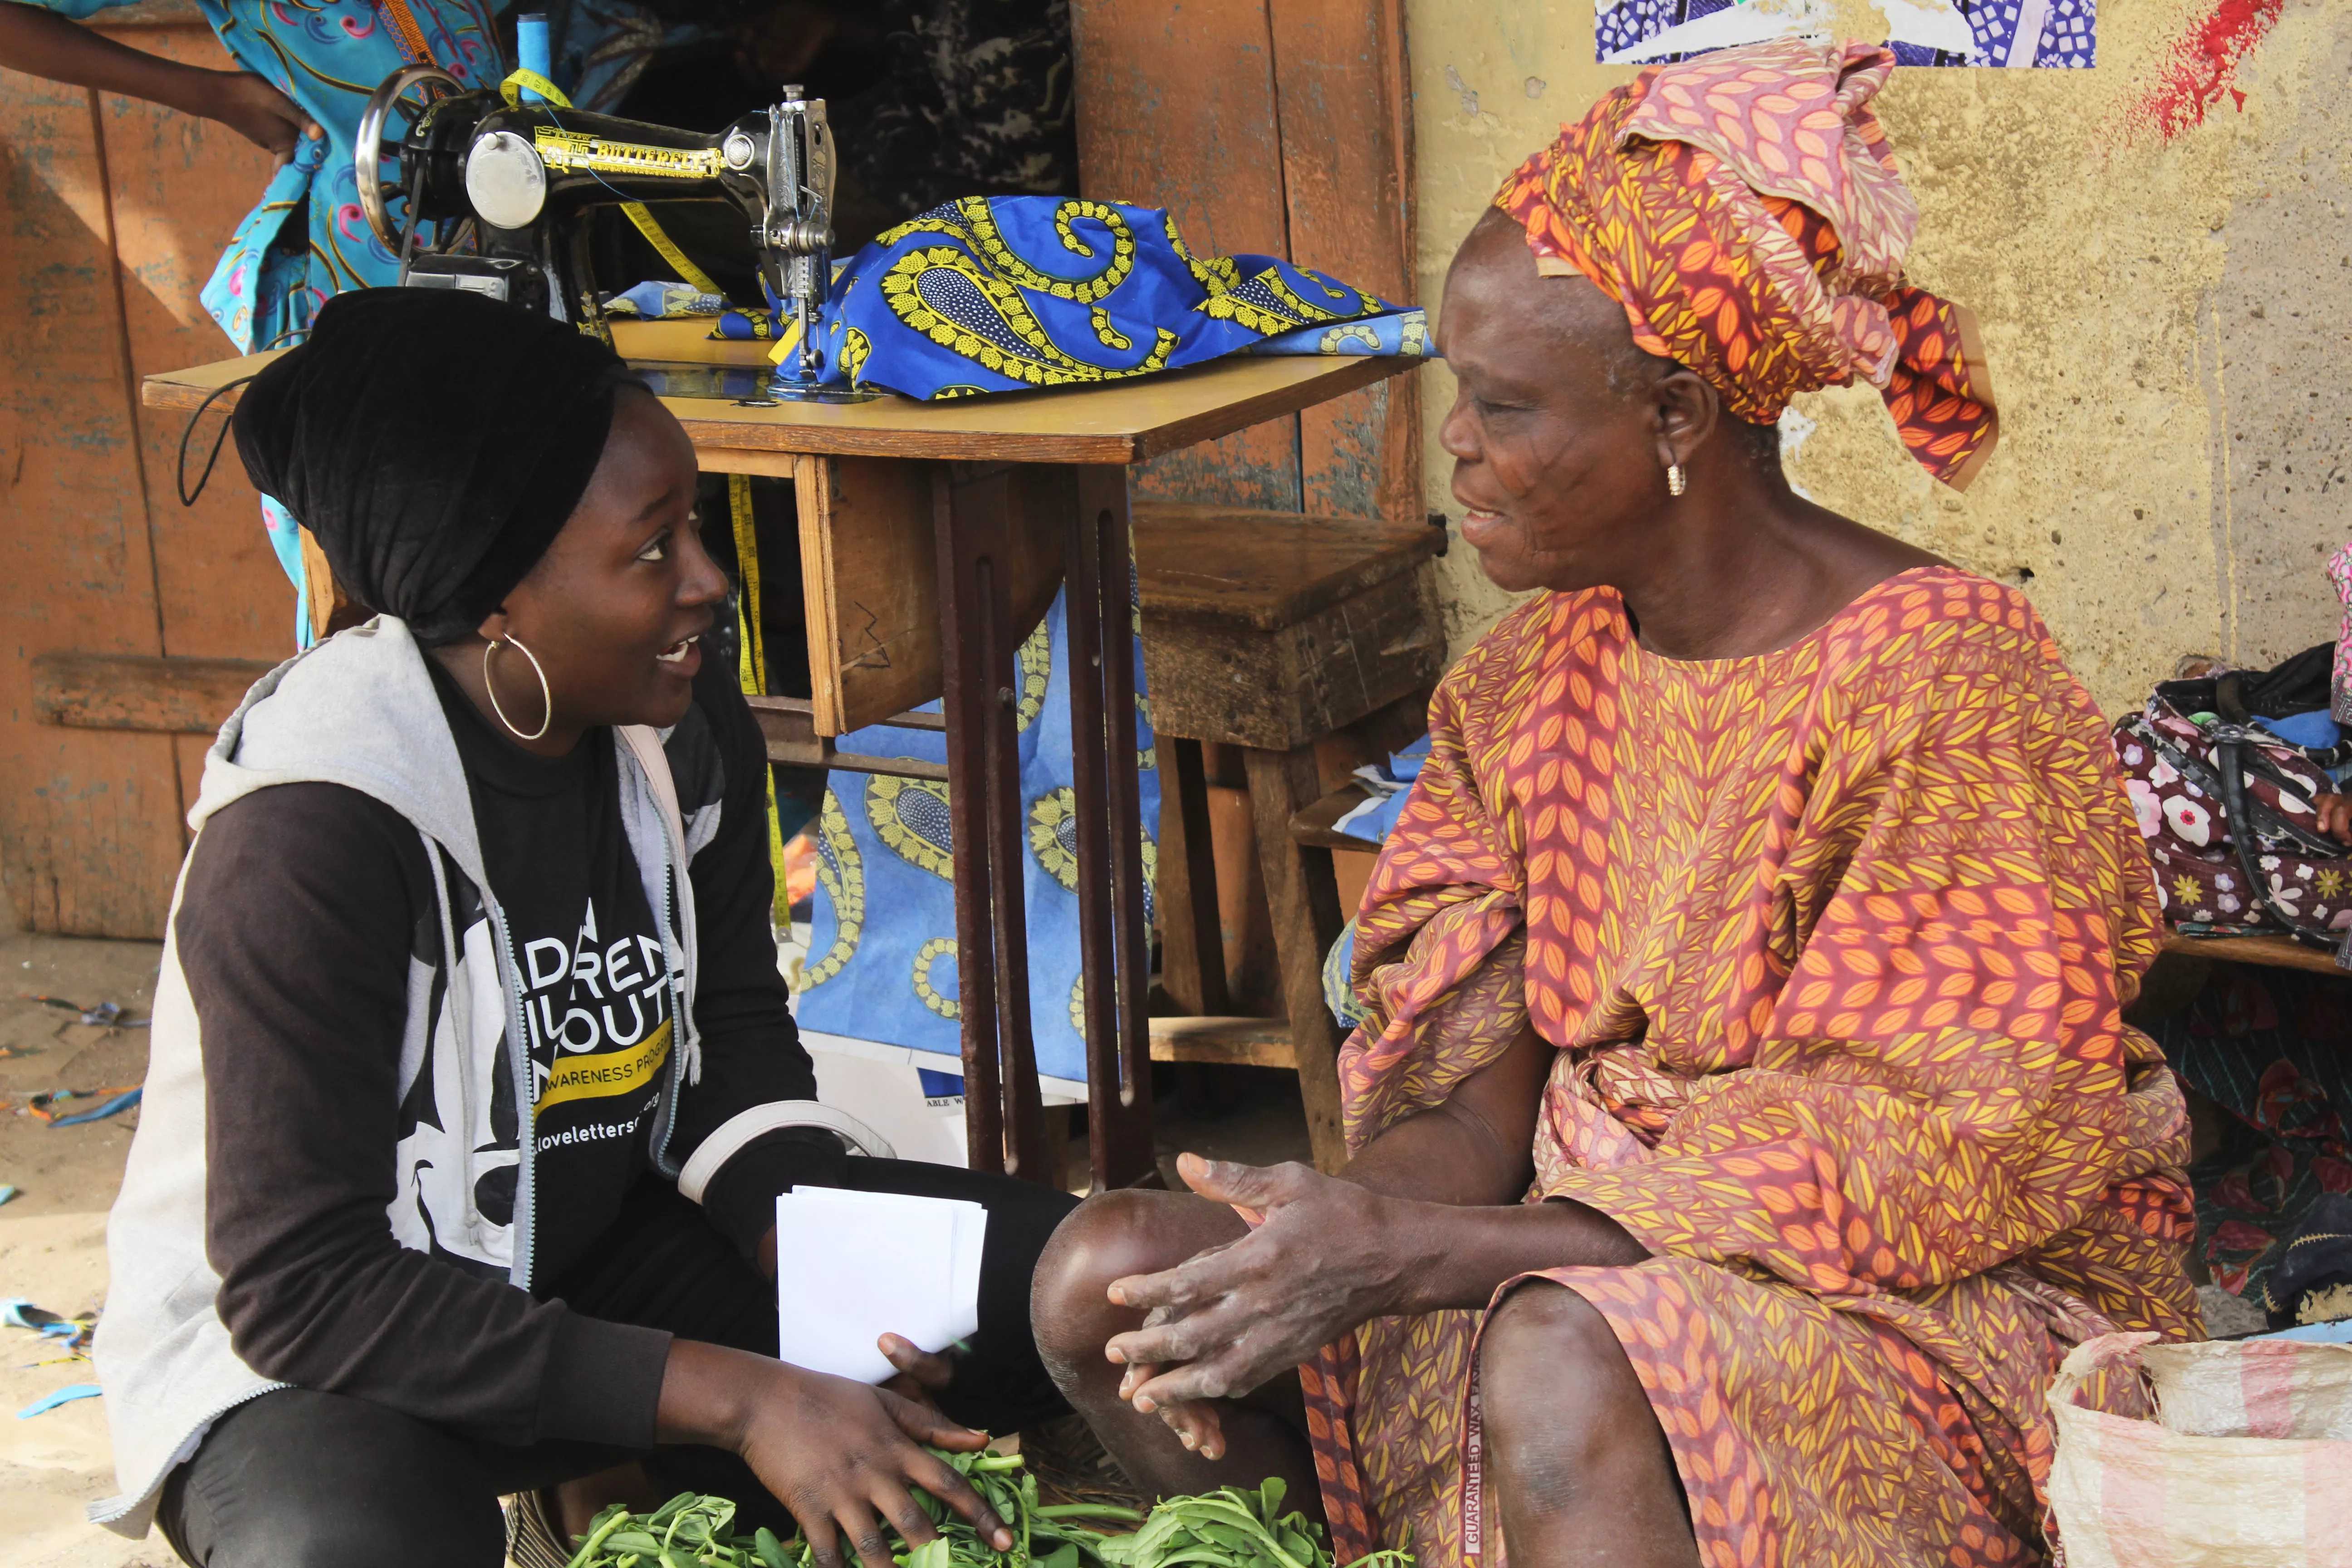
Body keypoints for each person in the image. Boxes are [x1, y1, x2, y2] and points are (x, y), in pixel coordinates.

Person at [1031, 38, 2197, 1568]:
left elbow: (1927, 1151)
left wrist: (1425, 1256)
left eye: (1505, 406)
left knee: (1564, 1348)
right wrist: (1334, 1233)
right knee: (1108, 1278)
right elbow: (1476, 1102)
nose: (1457, 444)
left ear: (1676, 418)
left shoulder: (1948, 678)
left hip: (1921, 1294)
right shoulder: (1524, 685)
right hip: (1568, 1235)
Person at [90, 288, 1077, 1568]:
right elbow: (305, 1287)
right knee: (348, 1546)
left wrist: (809, 1253)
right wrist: (743, 1397)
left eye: (696, 528)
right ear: (497, 593)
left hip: (602, 1265)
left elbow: (730, 1031)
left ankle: (613, 1482)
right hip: (343, 1353)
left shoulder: (676, 723)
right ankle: (605, 1469)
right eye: (654, 549)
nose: (709, 583)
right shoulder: (310, 833)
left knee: (1092, 1290)